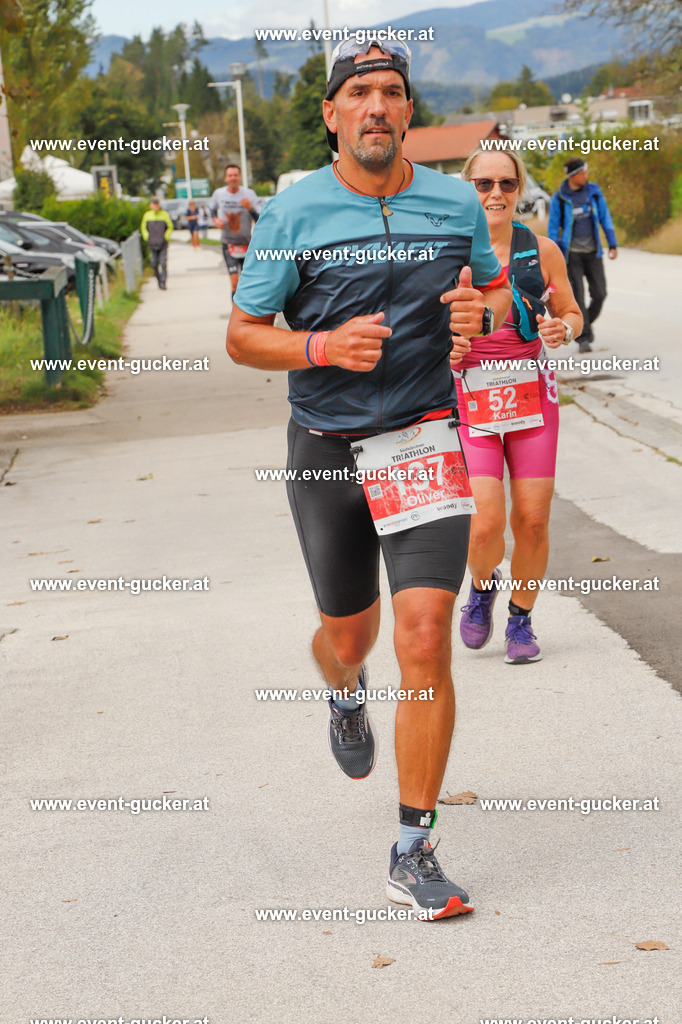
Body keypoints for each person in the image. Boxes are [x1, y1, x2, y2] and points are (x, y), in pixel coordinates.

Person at [227, 37, 512, 919]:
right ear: (333, 115)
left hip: (425, 436)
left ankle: (413, 847)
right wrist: (317, 346)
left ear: (409, 112)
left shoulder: (455, 200)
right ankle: (343, 693)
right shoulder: (292, 212)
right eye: (360, 94)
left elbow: (495, 296)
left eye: (392, 92)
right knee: (349, 639)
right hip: (327, 446)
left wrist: (478, 310)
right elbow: (243, 334)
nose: (378, 107)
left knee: (423, 636)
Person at [455, 146, 582, 663]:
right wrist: (446, 347)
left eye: (506, 184)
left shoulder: (542, 251)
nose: (495, 194)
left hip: (532, 395)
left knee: (531, 519)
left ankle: (522, 620)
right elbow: (418, 327)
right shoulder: (449, 252)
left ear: (520, 189)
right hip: (471, 397)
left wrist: (562, 328)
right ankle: (482, 587)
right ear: (469, 188)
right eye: (484, 184)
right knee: (484, 523)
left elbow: (573, 313)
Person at [548, 158, 617, 352]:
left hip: (593, 253)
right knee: (577, 296)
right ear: (573, 175)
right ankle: (584, 338)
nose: (586, 176)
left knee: (600, 293)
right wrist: (554, 255)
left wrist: (612, 243)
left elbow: (605, 217)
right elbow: (553, 228)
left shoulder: (593, 192)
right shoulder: (560, 198)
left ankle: (583, 323)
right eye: (583, 173)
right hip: (572, 256)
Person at [210, 164, 261, 297]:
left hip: (246, 244)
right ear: (226, 178)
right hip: (228, 244)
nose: (233, 178)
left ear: (239, 177)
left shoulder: (249, 194)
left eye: (235, 175)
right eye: (230, 175)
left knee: (246, 283)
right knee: (234, 282)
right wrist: (216, 220)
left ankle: (246, 313)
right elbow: (212, 210)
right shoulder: (219, 194)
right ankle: (236, 314)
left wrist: (250, 208)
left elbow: (260, 219)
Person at [140, 198, 173, 290]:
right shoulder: (147, 215)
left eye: (157, 204)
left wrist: (166, 237)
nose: (155, 206)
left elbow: (170, 227)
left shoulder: (164, 215)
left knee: (163, 262)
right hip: (152, 242)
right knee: (154, 263)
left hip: (162, 242)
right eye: (154, 204)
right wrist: (147, 237)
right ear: (151, 205)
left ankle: (163, 282)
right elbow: (143, 228)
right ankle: (158, 279)